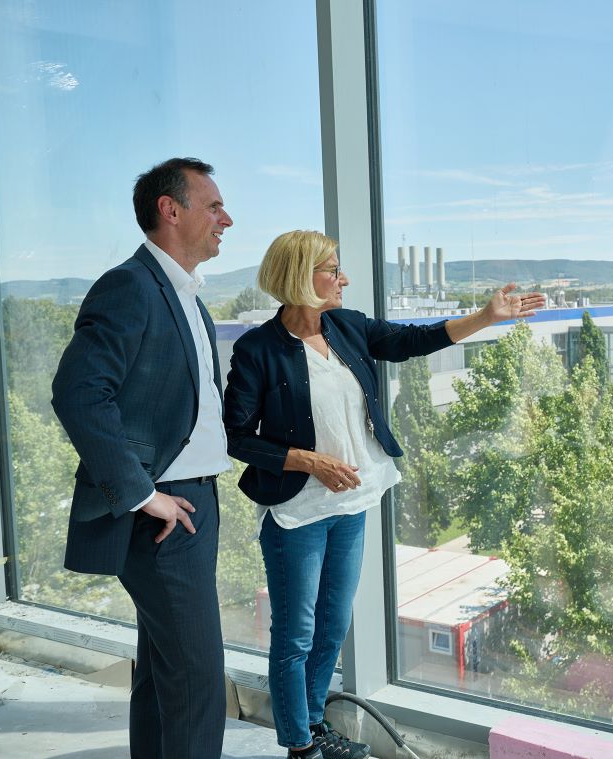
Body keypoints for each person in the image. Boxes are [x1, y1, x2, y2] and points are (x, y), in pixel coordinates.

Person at [223, 230, 544, 759]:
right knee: (296, 636)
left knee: (331, 629)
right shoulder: (258, 349)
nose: (343, 278)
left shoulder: (346, 326)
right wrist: (307, 461)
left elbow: (411, 340)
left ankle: (313, 725)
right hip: (298, 513)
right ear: (299, 275)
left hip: (352, 504)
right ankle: (300, 747)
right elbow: (235, 436)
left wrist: (486, 317)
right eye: (332, 269)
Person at [52, 157, 234, 759]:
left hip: (192, 503)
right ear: (170, 209)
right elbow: (79, 393)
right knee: (198, 683)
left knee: (164, 676)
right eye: (213, 206)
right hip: (163, 513)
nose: (225, 219)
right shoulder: (130, 286)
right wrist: (142, 493)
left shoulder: (188, 297)